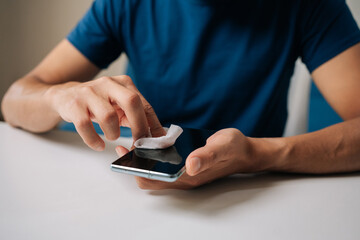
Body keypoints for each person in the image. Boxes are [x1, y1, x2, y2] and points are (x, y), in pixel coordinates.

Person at [1, 0, 360, 190]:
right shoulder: (126, 4)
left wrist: (256, 154)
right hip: (136, 200)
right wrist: (60, 96)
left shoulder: (310, 5)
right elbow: (14, 100)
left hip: (253, 196)